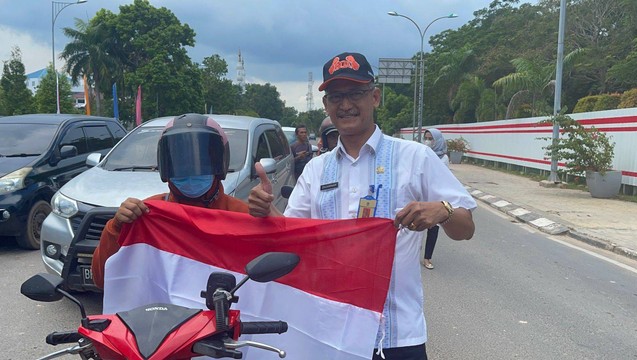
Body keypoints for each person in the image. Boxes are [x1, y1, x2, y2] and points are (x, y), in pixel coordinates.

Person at [247, 52, 476, 360]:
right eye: (337, 96)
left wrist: (444, 210)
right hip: (329, 332)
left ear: (375, 97)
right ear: (326, 106)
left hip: (397, 335)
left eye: (355, 93)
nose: (346, 105)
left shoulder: (415, 157)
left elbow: (466, 229)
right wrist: (266, 210)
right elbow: (291, 237)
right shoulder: (317, 170)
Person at [91, 114, 249, 289]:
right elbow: (102, 279)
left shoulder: (241, 215)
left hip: (221, 314)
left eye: (201, 162)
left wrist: (267, 218)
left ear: (220, 164)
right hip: (167, 314)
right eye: (180, 163)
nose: (191, 172)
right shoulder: (146, 213)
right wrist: (116, 228)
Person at [421, 128, 449, 270]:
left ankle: (427, 258)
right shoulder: (420, 153)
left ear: (437, 140)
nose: (427, 141)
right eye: (426, 138)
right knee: (414, 225)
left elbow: (442, 178)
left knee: (433, 227)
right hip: (420, 193)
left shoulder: (443, 158)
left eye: (431, 139)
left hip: (435, 195)